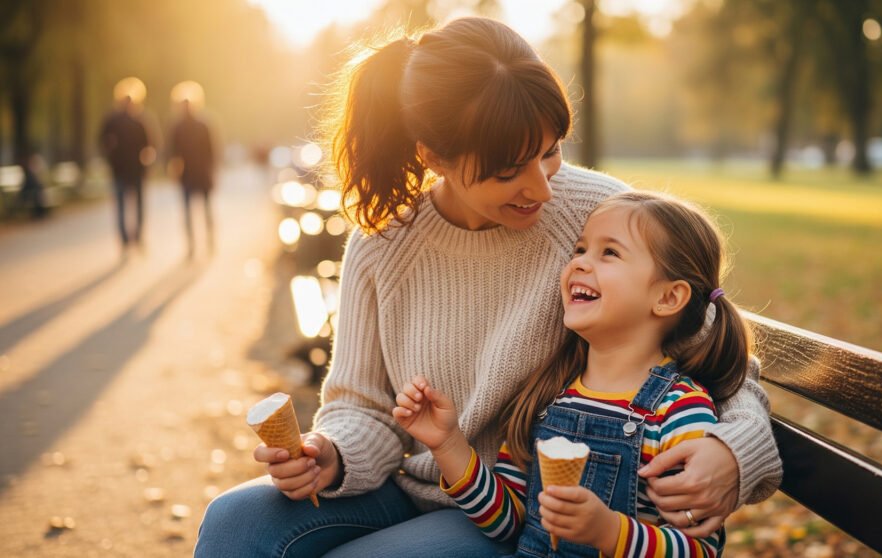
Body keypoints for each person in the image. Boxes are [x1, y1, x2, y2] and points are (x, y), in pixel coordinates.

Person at [196, 17, 781, 558]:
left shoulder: (602, 221)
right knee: (234, 523)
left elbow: (719, 348)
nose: (542, 188)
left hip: (522, 511)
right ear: (435, 157)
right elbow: (361, 408)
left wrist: (735, 451)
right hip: (414, 486)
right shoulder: (383, 245)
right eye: (507, 170)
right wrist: (332, 454)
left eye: (549, 152)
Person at [394, 191, 745, 557]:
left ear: (669, 298)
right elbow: (509, 523)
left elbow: (700, 549)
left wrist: (611, 533)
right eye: (580, 250)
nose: (579, 263)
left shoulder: (679, 409)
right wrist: (448, 444)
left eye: (609, 252)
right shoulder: (547, 398)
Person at [99, 77, 154, 254]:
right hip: (120, 170)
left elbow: (150, 144)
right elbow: (102, 141)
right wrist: (110, 157)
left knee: (136, 207)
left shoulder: (141, 120)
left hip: (135, 170)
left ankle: (136, 238)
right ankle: (126, 240)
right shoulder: (114, 120)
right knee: (123, 206)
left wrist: (146, 161)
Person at [169, 81, 217, 258]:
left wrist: (212, 171)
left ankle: (207, 240)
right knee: (191, 211)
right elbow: (173, 153)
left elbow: (212, 151)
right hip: (189, 174)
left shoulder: (203, 125)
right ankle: (193, 244)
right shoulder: (178, 127)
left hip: (200, 174)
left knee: (204, 210)